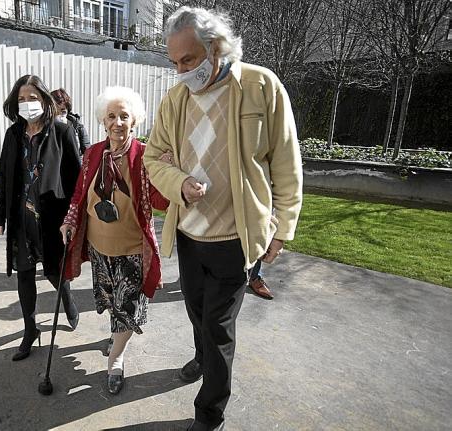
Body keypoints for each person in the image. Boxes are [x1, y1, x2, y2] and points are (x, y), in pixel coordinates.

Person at [143, 7, 303, 431]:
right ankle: (202, 357)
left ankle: (209, 413)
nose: (180, 71)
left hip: (237, 237)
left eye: (189, 60)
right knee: (196, 312)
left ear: (215, 48)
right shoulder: (175, 99)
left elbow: (287, 164)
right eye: (174, 62)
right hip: (190, 234)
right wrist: (178, 183)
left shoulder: (260, 86)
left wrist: (282, 228)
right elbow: (154, 157)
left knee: (217, 326)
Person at [59, 86, 169, 395]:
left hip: (133, 250)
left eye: (124, 116)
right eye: (111, 116)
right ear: (103, 121)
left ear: (134, 120)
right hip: (99, 249)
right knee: (112, 303)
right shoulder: (93, 153)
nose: (117, 122)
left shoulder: (146, 156)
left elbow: (162, 202)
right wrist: (69, 221)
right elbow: (80, 194)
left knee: (129, 306)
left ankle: (116, 358)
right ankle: (116, 334)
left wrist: (170, 171)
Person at [0, 75, 81, 362]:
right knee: (24, 274)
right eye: (21, 99)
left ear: (44, 99)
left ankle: (66, 297)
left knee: (56, 272)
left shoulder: (62, 131)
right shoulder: (13, 135)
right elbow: (4, 177)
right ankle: (30, 330)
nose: (27, 104)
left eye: (32, 97)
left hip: (52, 217)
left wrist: (73, 217)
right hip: (21, 218)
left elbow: (76, 180)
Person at [51, 88, 91, 154]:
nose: (59, 116)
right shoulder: (44, 128)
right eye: (55, 112)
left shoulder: (77, 126)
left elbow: (88, 154)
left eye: (63, 111)